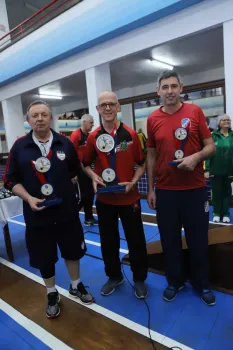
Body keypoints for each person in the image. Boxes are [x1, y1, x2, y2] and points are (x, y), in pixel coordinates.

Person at [4, 100, 94, 319]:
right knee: (44, 257)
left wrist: (64, 187)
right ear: (28, 120)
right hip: (37, 214)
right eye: (35, 115)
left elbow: (75, 171)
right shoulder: (19, 147)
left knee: (73, 251)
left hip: (66, 213)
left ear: (51, 118)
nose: (40, 119)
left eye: (44, 114)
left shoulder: (65, 143)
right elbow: (10, 180)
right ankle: (52, 293)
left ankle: (76, 285)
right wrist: (28, 197)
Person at [146, 70, 216, 306]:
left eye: (173, 86)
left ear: (181, 87)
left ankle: (201, 283)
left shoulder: (194, 111)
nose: (169, 91)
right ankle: (174, 281)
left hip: (195, 190)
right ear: (158, 91)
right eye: (164, 87)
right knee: (170, 241)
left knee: (198, 240)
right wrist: (151, 188)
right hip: (165, 192)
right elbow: (152, 155)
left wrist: (195, 158)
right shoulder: (153, 119)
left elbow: (210, 146)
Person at [83, 91, 148, 299]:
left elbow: (142, 163)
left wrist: (134, 181)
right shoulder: (93, 137)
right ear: (97, 109)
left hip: (129, 197)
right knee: (108, 240)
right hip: (104, 199)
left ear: (118, 106)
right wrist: (93, 176)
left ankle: (139, 279)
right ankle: (114, 276)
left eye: (112, 104)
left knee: (136, 239)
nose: (108, 108)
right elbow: (85, 164)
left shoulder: (130, 135)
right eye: (104, 105)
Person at [70, 114, 98, 226]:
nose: (92, 125)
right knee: (82, 197)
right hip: (79, 171)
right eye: (91, 122)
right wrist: (74, 173)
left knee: (90, 194)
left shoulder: (90, 136)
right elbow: (71, 155)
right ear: (84, 122)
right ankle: (69, 218)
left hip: (88, 170)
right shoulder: (76, 135)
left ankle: (88, 218)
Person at [205, 114, 233, 223]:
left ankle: (226, 213)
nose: (226, 121)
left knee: (227, 193)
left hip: (230, 170)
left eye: (228, 120)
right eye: (223, 120)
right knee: (216, 193)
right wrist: (207, 169)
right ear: (219, 123)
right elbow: (208, 154)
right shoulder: (213, 136)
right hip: (215, 170)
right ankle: (216, 212)